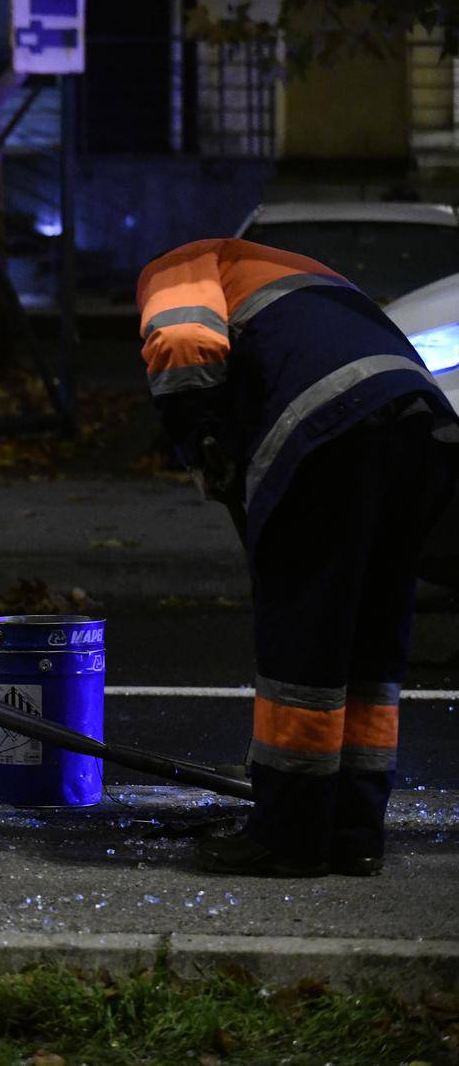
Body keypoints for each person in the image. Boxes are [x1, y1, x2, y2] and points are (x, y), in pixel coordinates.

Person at [136, 238, 459, 878]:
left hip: (325, 435)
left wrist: (199, 442)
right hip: (425, 435)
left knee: (303, 646)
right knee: (370, 638)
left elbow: (181, 345)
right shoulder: (306, 274)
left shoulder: (175, 265)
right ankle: (355, 832)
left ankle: (289, 838)